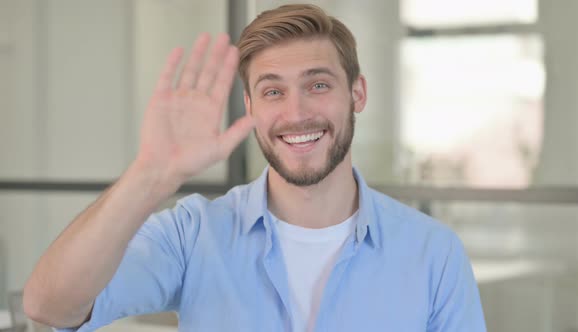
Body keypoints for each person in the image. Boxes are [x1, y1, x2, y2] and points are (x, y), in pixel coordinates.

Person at [23, 4, 486, 332]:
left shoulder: (434, 254)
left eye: (318, 84)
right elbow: (50, 305)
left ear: (357, 93)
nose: (297, 112)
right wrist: (150, 173)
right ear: (249, 105)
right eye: (272, 91)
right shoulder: (194, 234)